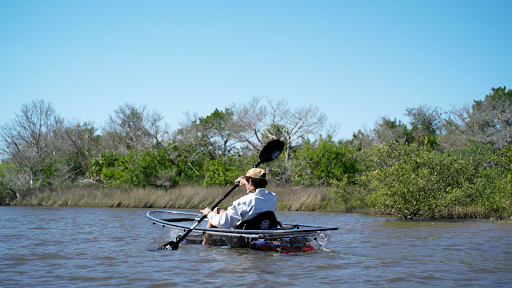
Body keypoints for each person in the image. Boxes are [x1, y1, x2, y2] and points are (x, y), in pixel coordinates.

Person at [200, 168, 279, 245]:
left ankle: (204, 246)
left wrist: (209, 213)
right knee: (218, 210)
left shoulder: (243, 202)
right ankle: (205, 245)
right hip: (261, 230)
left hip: (242, 238)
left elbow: (224, 223)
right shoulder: (272, 197)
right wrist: (245, 181)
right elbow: (257, 191)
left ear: (250, 182)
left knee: (214, 211)